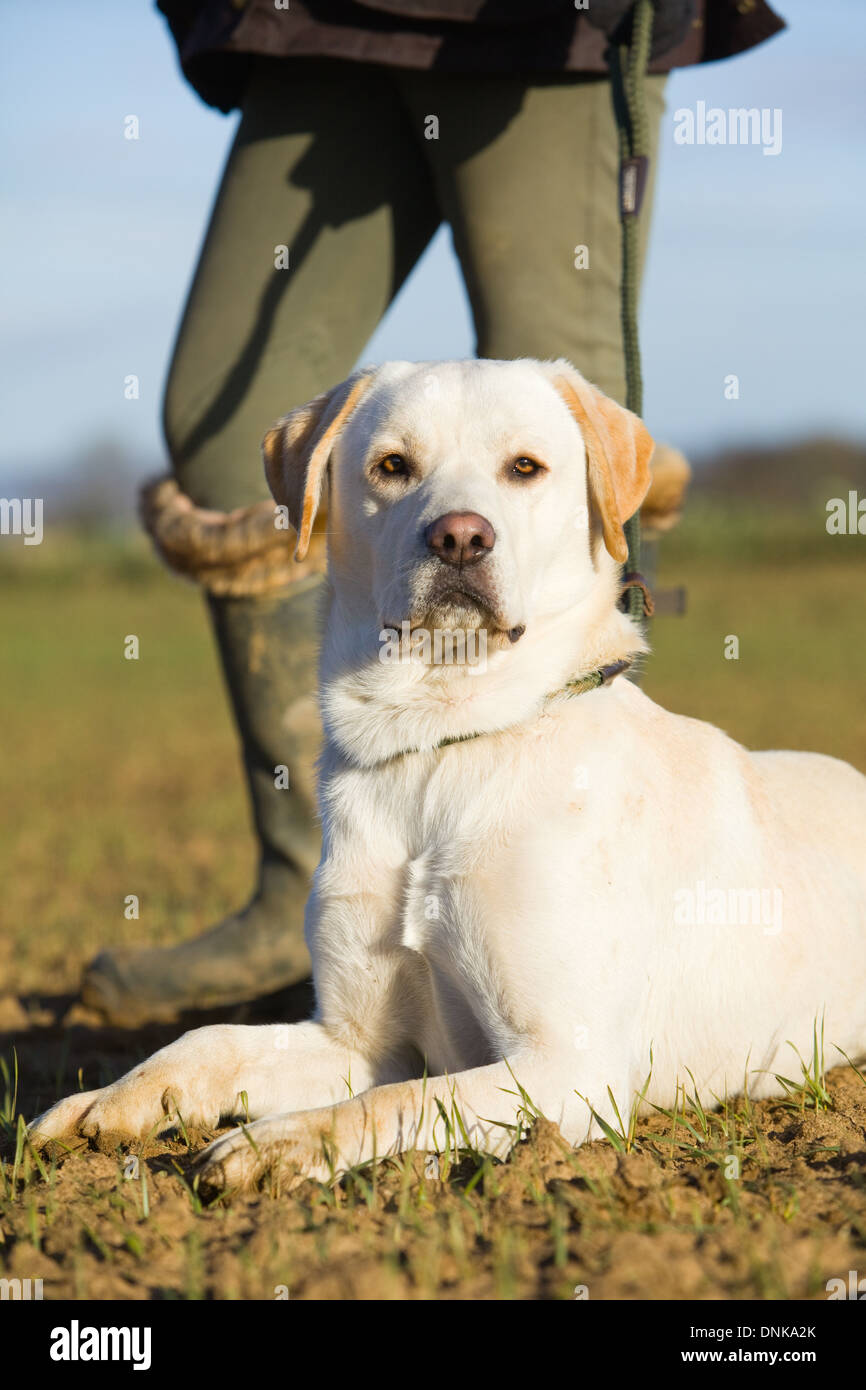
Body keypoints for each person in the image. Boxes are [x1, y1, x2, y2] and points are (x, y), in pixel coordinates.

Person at [81, 0, 785, 1023]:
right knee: (220, 422)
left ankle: (589, 896)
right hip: (318, 21)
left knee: (563, 415)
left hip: (541, 29)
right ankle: (314, 888)